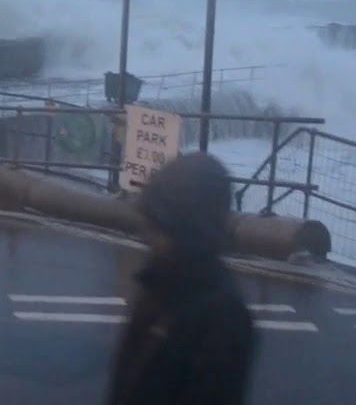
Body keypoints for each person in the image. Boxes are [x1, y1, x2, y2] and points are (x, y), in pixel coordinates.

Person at [106, 152, 256, 405]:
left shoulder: (220, 316)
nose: (148, 237)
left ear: (189, 231)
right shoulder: (160, 280)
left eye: (160, 227)